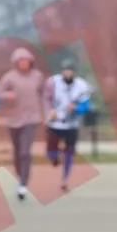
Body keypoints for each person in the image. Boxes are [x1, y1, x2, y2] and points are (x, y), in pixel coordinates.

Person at [0, 47, 45, 201]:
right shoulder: (9, 77)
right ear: (15, 63)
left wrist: (45, 113)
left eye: (26, 61)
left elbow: (44, 96)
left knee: (25, 152)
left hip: (31, 119)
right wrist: (7, 95)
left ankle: (23, 184)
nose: (23, 63)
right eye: (20, 61)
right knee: (17, 153)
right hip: (14, 120)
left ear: (30, 62)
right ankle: (20, 176)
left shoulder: (37, 76)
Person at [43, 58, 94, 191]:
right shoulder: (53, 82)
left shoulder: (81, 86)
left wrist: (76, 108)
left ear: (74, 72)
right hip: (55, 123)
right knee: (51, 152)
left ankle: (64, 179)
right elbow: (46, 99)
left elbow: (86, 106)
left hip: (72, 124)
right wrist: (50, 111)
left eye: (70, 71)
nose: (68, 73)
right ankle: (55, 157)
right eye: (65, 71)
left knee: (69, 153)